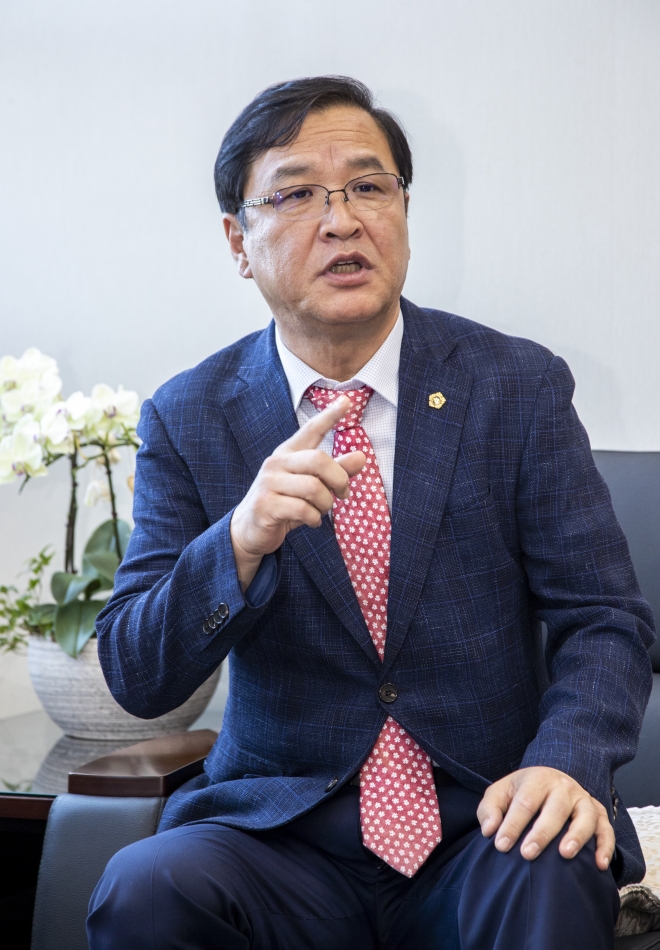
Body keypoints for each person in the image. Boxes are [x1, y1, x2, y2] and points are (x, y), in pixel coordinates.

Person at [87, 76, 654, 950]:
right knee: (145, 887)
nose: (342, 220)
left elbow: (606, 619)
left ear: (404, 211)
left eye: (367, 186)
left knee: (550, 867)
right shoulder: (190, 414)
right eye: (297, 195)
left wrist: (564, 761)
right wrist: (238, 543)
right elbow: (137, 673)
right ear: (239, 241)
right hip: (279, 837)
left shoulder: (514, 385)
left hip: (487, 821)